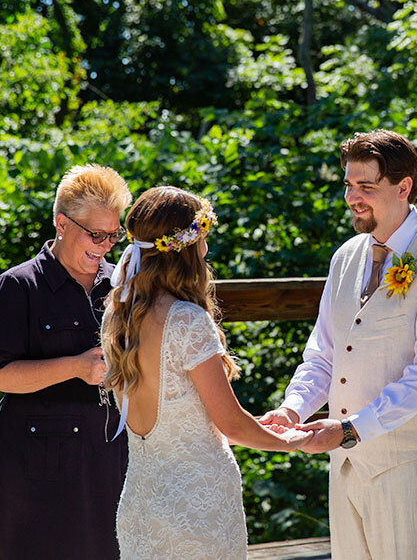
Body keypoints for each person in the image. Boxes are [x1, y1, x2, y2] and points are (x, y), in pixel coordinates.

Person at [259, 130, 417, 560]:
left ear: (404, 187)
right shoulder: (346, 257)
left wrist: (348, 430)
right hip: (347, 470)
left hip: (415, 471)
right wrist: (292, 409)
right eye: (348, 185)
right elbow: (324, 354)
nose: (353, 197)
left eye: (366, 187)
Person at [101, 186, 312, 560]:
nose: (206, 249)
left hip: (141, 505)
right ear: (188, 246)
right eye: (203, 238)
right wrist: (292, 441)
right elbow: (231, 423)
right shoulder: (186, 321)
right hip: (196, 510)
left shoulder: (118, 315)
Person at [0, 164, 132, 559]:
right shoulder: (18, 285)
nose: (105, 245)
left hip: (107, 456)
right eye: (95, 234)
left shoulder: (120, 286)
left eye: (113, 235)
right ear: (62, 223)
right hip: (33, 468)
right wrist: (77, 367)